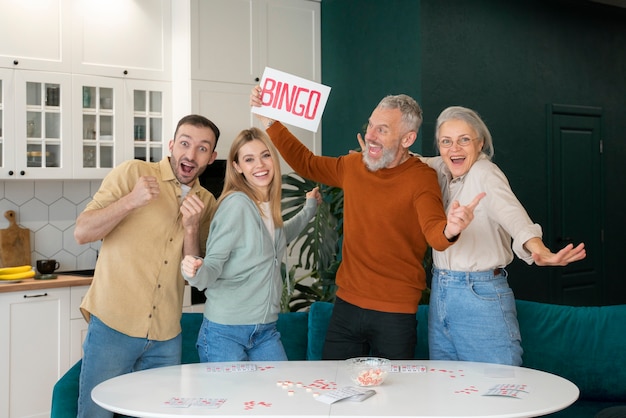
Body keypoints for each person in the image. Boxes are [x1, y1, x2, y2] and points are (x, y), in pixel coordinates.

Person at [251, 87, 484, 360]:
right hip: (347, 306)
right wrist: (269, 120)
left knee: (395, 397)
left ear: (408, 138)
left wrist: (451, 229)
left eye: (382, 130)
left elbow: (435, 234)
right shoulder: (353, 166)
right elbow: (307, 163)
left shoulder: (421, 178)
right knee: (334, 388)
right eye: (371, 125)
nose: (371, 135)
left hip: (395, 314)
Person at [74, 114, 220, 418]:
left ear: (212, 157)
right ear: (171, 145)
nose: (191, 155)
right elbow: (82, 232)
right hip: (113, 327)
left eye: (202, 148)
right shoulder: (133, 173)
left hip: (166, 337)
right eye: (185, 143)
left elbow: (195, 277)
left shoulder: (206, 201)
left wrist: (192, 228)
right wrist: (131, 201)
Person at [421, 106, 586, 366]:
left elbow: (514, 217)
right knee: (446, 389)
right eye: (446, 142)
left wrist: (539, 249)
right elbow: (407, 161)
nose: (455, 149)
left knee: (497, 388)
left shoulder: (485, 174)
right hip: (441, 291)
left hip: (478, 293)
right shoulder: (440, 167)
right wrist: (369, 157)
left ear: (480, 143)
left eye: (464, 140)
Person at [180, 127, 321, 362]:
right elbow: (210, 270)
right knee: (234, 400)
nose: (260, 165)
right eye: (249, 159)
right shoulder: (237, 205)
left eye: (265, 155)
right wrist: (196, 269)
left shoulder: (266, 205)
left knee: (279, 395)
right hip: (225, 333)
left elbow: (279, 237)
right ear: (237, 167)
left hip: (265, 330)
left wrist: (309, 209)